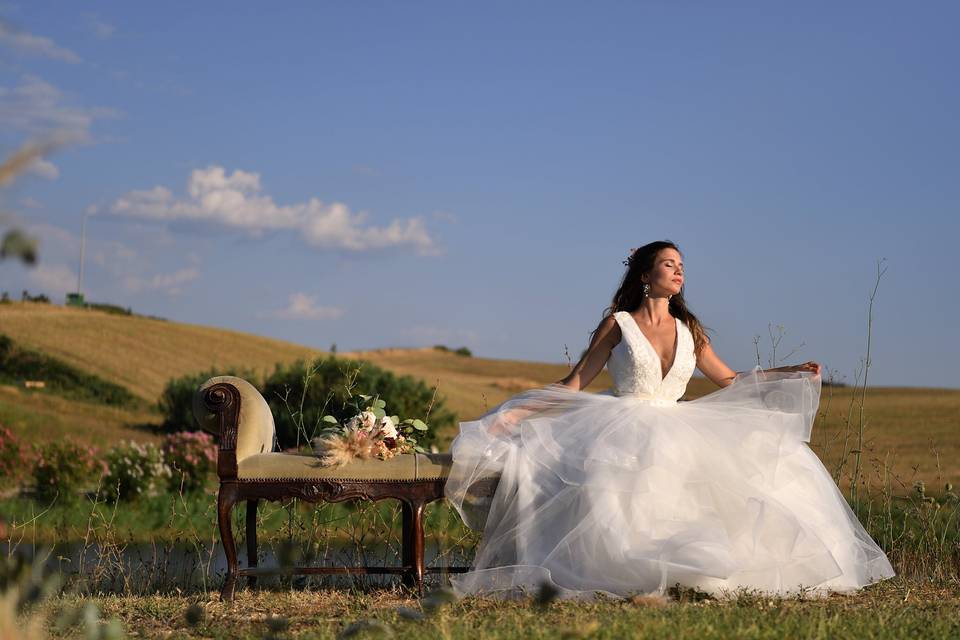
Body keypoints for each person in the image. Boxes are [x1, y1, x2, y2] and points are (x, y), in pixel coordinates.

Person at [444, 240, 895, 601]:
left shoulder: (690, 330)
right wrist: (518, 412)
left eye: (681, 265)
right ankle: (623, 574)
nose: (679, 271)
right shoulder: (618, 324)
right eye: (668, 264)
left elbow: (730, 379)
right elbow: (575, 381)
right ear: (645, 276)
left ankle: (697, 573)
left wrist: (789, 371)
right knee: (617, 502)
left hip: (679, 425)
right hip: (621, 425)